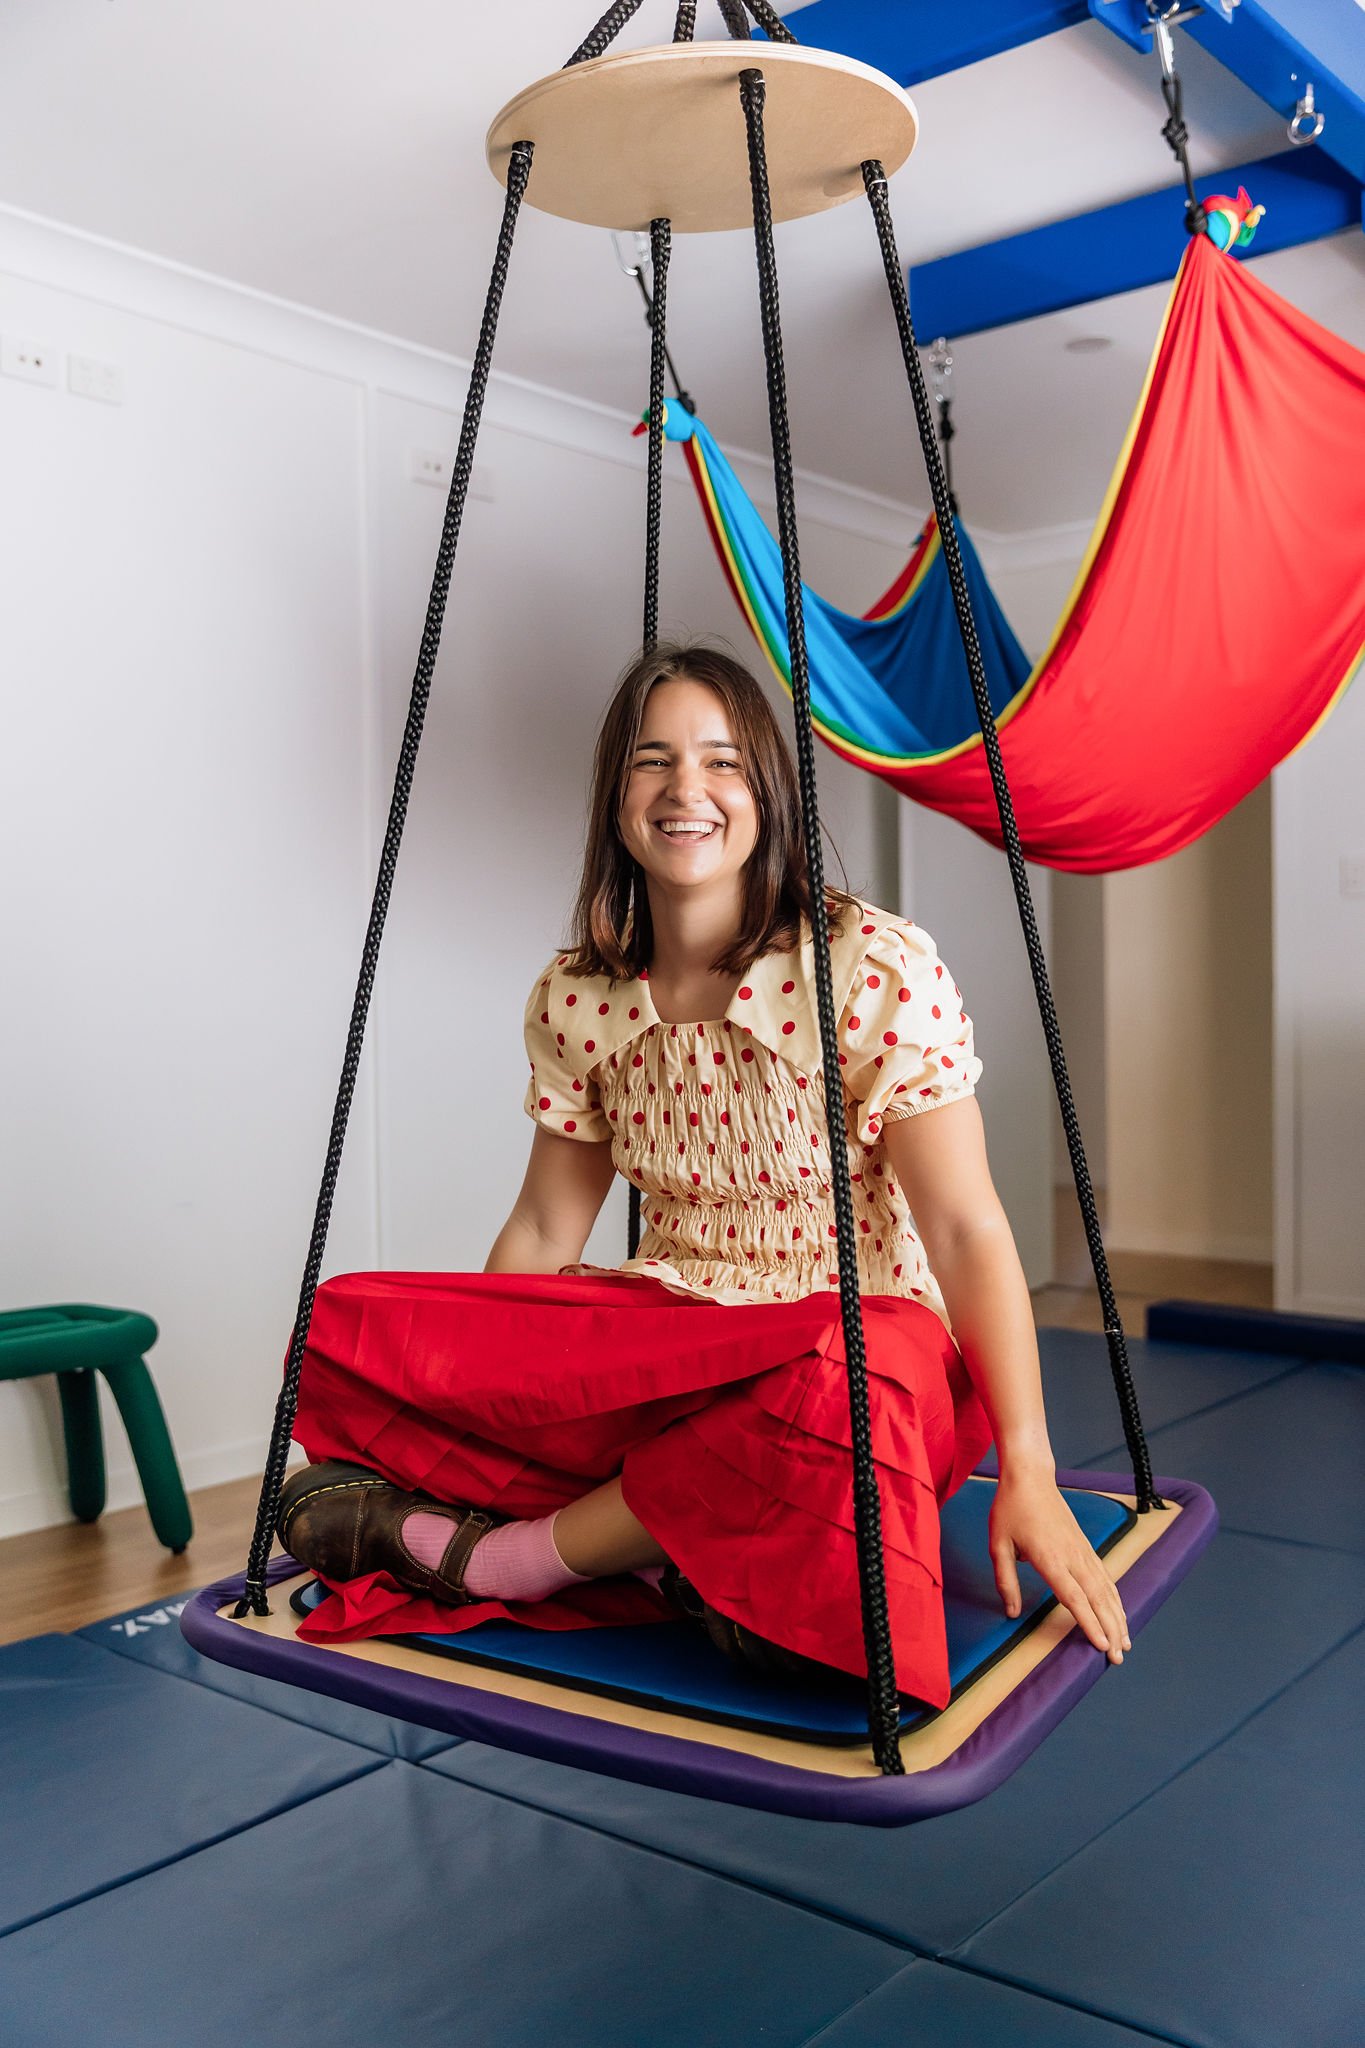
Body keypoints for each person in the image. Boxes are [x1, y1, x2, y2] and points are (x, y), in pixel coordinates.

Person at [279, 643, 1129, 1708]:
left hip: (863, 1343)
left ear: (766, 790)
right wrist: (491, 1385)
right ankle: (683, 1550)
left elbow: (963, 1227)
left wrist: (1033, 1468)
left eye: (723, 761)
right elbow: (547, 1227)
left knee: (835, 1389)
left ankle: (510, 1556)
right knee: (348, 1323)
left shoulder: (868, 963)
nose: (688, 789)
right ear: (617, 796)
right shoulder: (578, 996)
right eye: (654, 761)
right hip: (678, 1327)